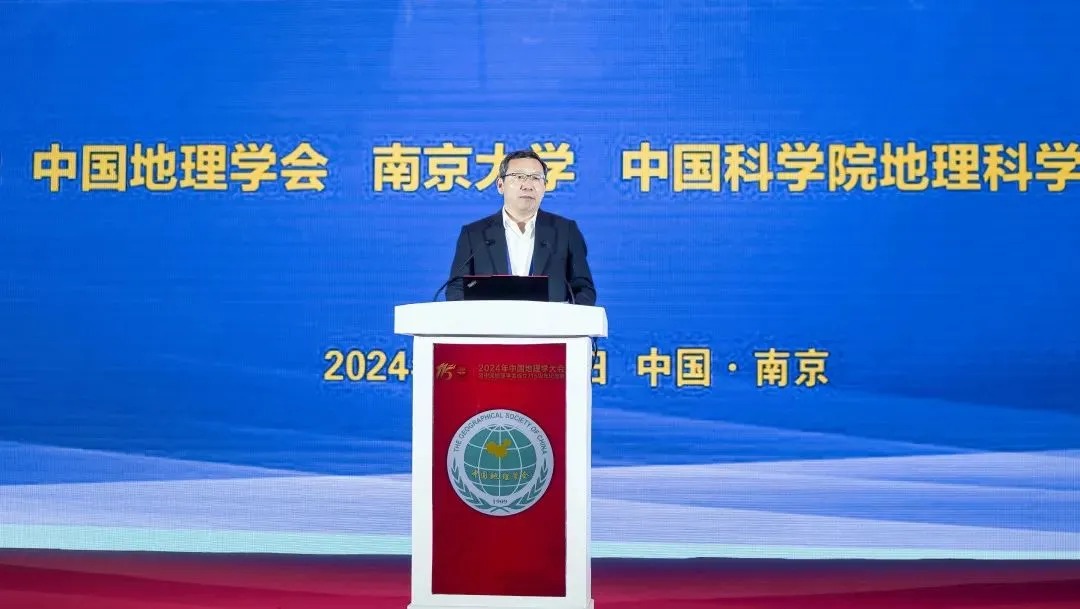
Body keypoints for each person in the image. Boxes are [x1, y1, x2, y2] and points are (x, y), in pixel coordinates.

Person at [444, 149, 597, 305]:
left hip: (549, 321)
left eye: (536, 178)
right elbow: (456, 289)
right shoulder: (474, 234)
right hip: (490, 321)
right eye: (519, 177)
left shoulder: (566, 231)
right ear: (500, 185)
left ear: (545, 186)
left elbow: (584, 289)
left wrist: (565, 317)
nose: (528, 185)